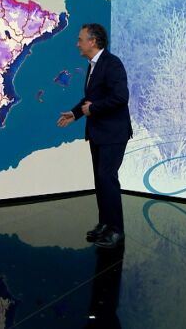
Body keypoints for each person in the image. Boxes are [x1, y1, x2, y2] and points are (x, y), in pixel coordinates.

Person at [57, 23, 132, 249]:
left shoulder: (112, 63)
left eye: (80, 40)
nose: (77, 44)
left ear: (93, 41)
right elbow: (91, 99)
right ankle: (105, 224)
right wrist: (75, 113)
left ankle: (116, 230)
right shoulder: (92, 65)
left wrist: (93, 109)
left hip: (113, 133)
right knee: (100, 180)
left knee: (107, 178)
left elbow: (121, 97)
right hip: (99, 132)